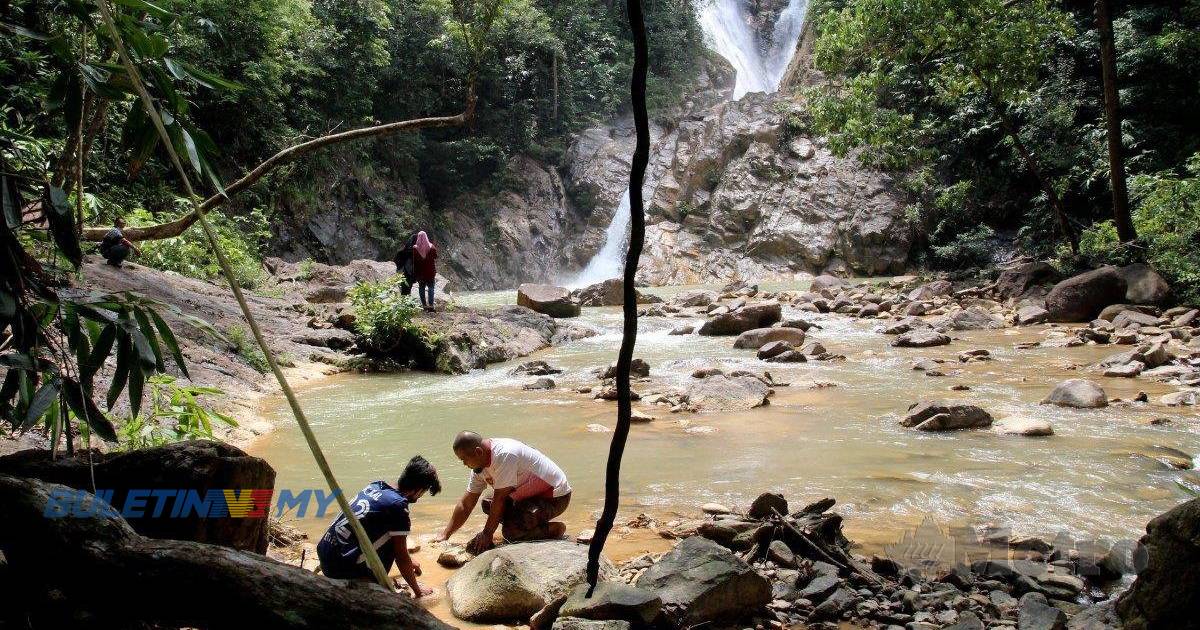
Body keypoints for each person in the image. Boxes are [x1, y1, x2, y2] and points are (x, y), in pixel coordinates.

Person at [316, 455, 441, 597]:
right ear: (418, 489)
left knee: (390, 530)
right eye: (423, 492)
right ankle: (365, 581)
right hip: (341, 569)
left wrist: (410, 560)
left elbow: (367, 526)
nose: (420, 497)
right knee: (396, 535)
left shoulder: (375, 485)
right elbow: (400, 555)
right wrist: (418, 591)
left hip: (325, 553)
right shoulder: (398, 505)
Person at [433, 431, 571, 554]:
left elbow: (500, 499)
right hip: (525, 495)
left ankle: (555, 529)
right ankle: (523, 524)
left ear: (478, 452)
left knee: (511, 534)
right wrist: (446, 534)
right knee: (488, 502)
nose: (464, 464)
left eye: (464, 459)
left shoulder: (505, 455)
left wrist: (487, 534)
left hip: (554, 497)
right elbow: (466, 503)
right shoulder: (479, 466)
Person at [412, 230, 437, 311]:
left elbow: (414, 261)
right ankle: (431, 306)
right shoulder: (432, 247)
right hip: (430, 272)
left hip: (420, 273)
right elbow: (435, 256)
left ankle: (424, 306)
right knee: (431, 288)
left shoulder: (415, 249)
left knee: (421, 288)